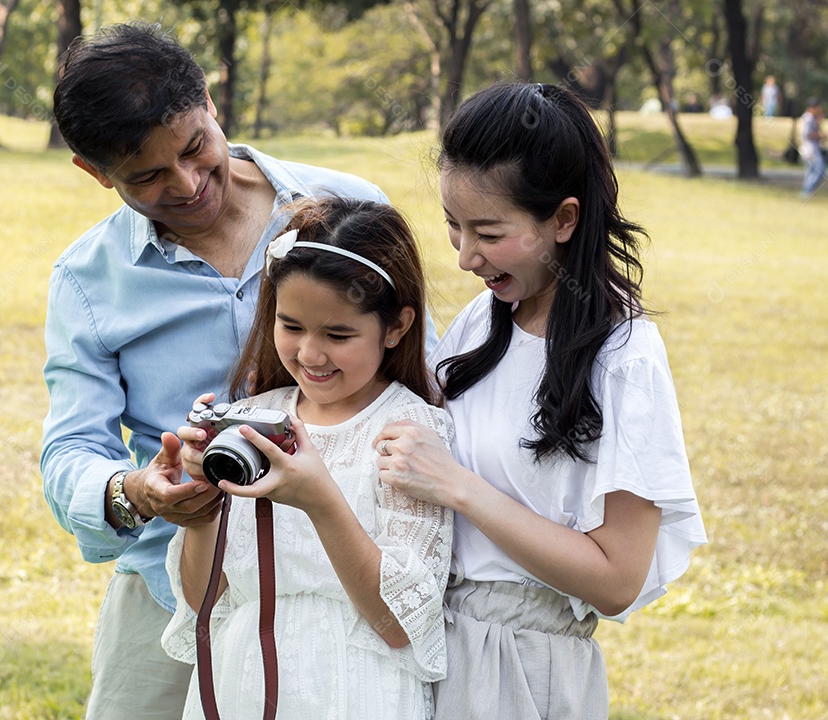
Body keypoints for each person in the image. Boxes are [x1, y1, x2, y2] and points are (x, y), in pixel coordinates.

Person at [41, 23, 391, 720]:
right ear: (95, 172)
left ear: (209, 98)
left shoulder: (349, 209)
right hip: (172, 592)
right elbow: (70, 451)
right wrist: (137, 492)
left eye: (197, 147)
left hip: (339, 585)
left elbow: (423, 378)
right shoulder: (87, 280)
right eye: (147, 176)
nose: (190, 183)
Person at [373, 83, 708, 720]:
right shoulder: (484, 319)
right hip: (430, 647)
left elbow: (616, 580)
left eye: (489, 232)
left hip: (525, 670)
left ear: (564, 219)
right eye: (453, 224)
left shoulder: (624, 356)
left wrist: (460, 488)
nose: (466, 255)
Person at [163, 196, 455, 719]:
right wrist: (204, 495)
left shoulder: (410, 434)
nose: (310, 354)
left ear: (396, 326)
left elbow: (398, 622)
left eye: (338, 335)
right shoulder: (252, 419)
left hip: (357, 691)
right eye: (291, 326)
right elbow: (205, 598)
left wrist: (320, 500)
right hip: (243, 683)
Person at [799, 96, 825, 199]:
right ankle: (807, 191)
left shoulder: (812, 118)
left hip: (811, 149)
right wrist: (819, 135)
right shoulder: (808, 118)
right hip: (810, 149)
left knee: (810, 171)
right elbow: (806, 134)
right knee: (820, 169)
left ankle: (806, 192)